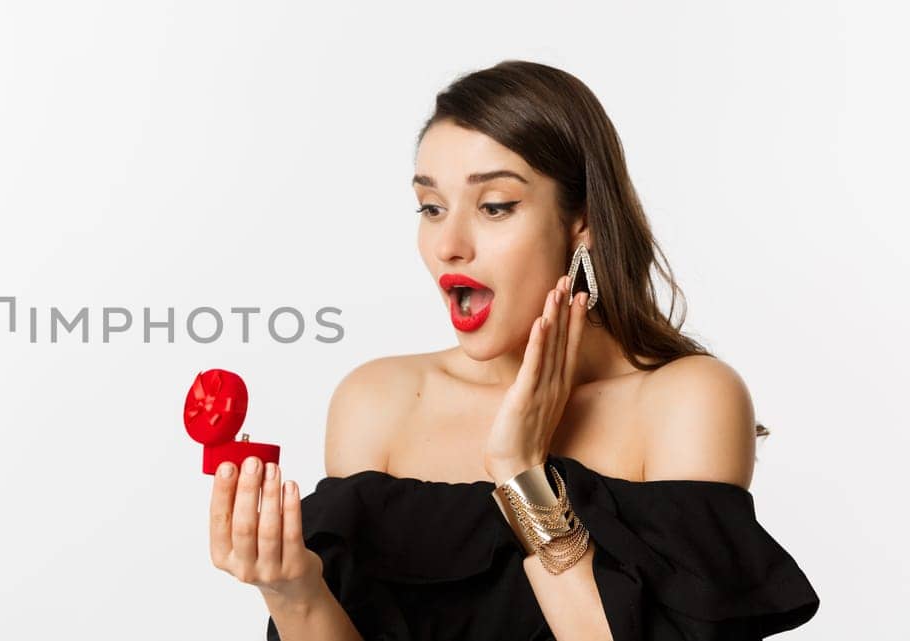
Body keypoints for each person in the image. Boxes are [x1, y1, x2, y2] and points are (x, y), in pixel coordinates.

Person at [206, 60, 819, 641]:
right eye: (431, 207)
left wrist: (522, 474)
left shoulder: (688, 400)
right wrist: (292, 591)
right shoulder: (376, 402)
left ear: (583, 221)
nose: (449, 244)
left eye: (495, 206)